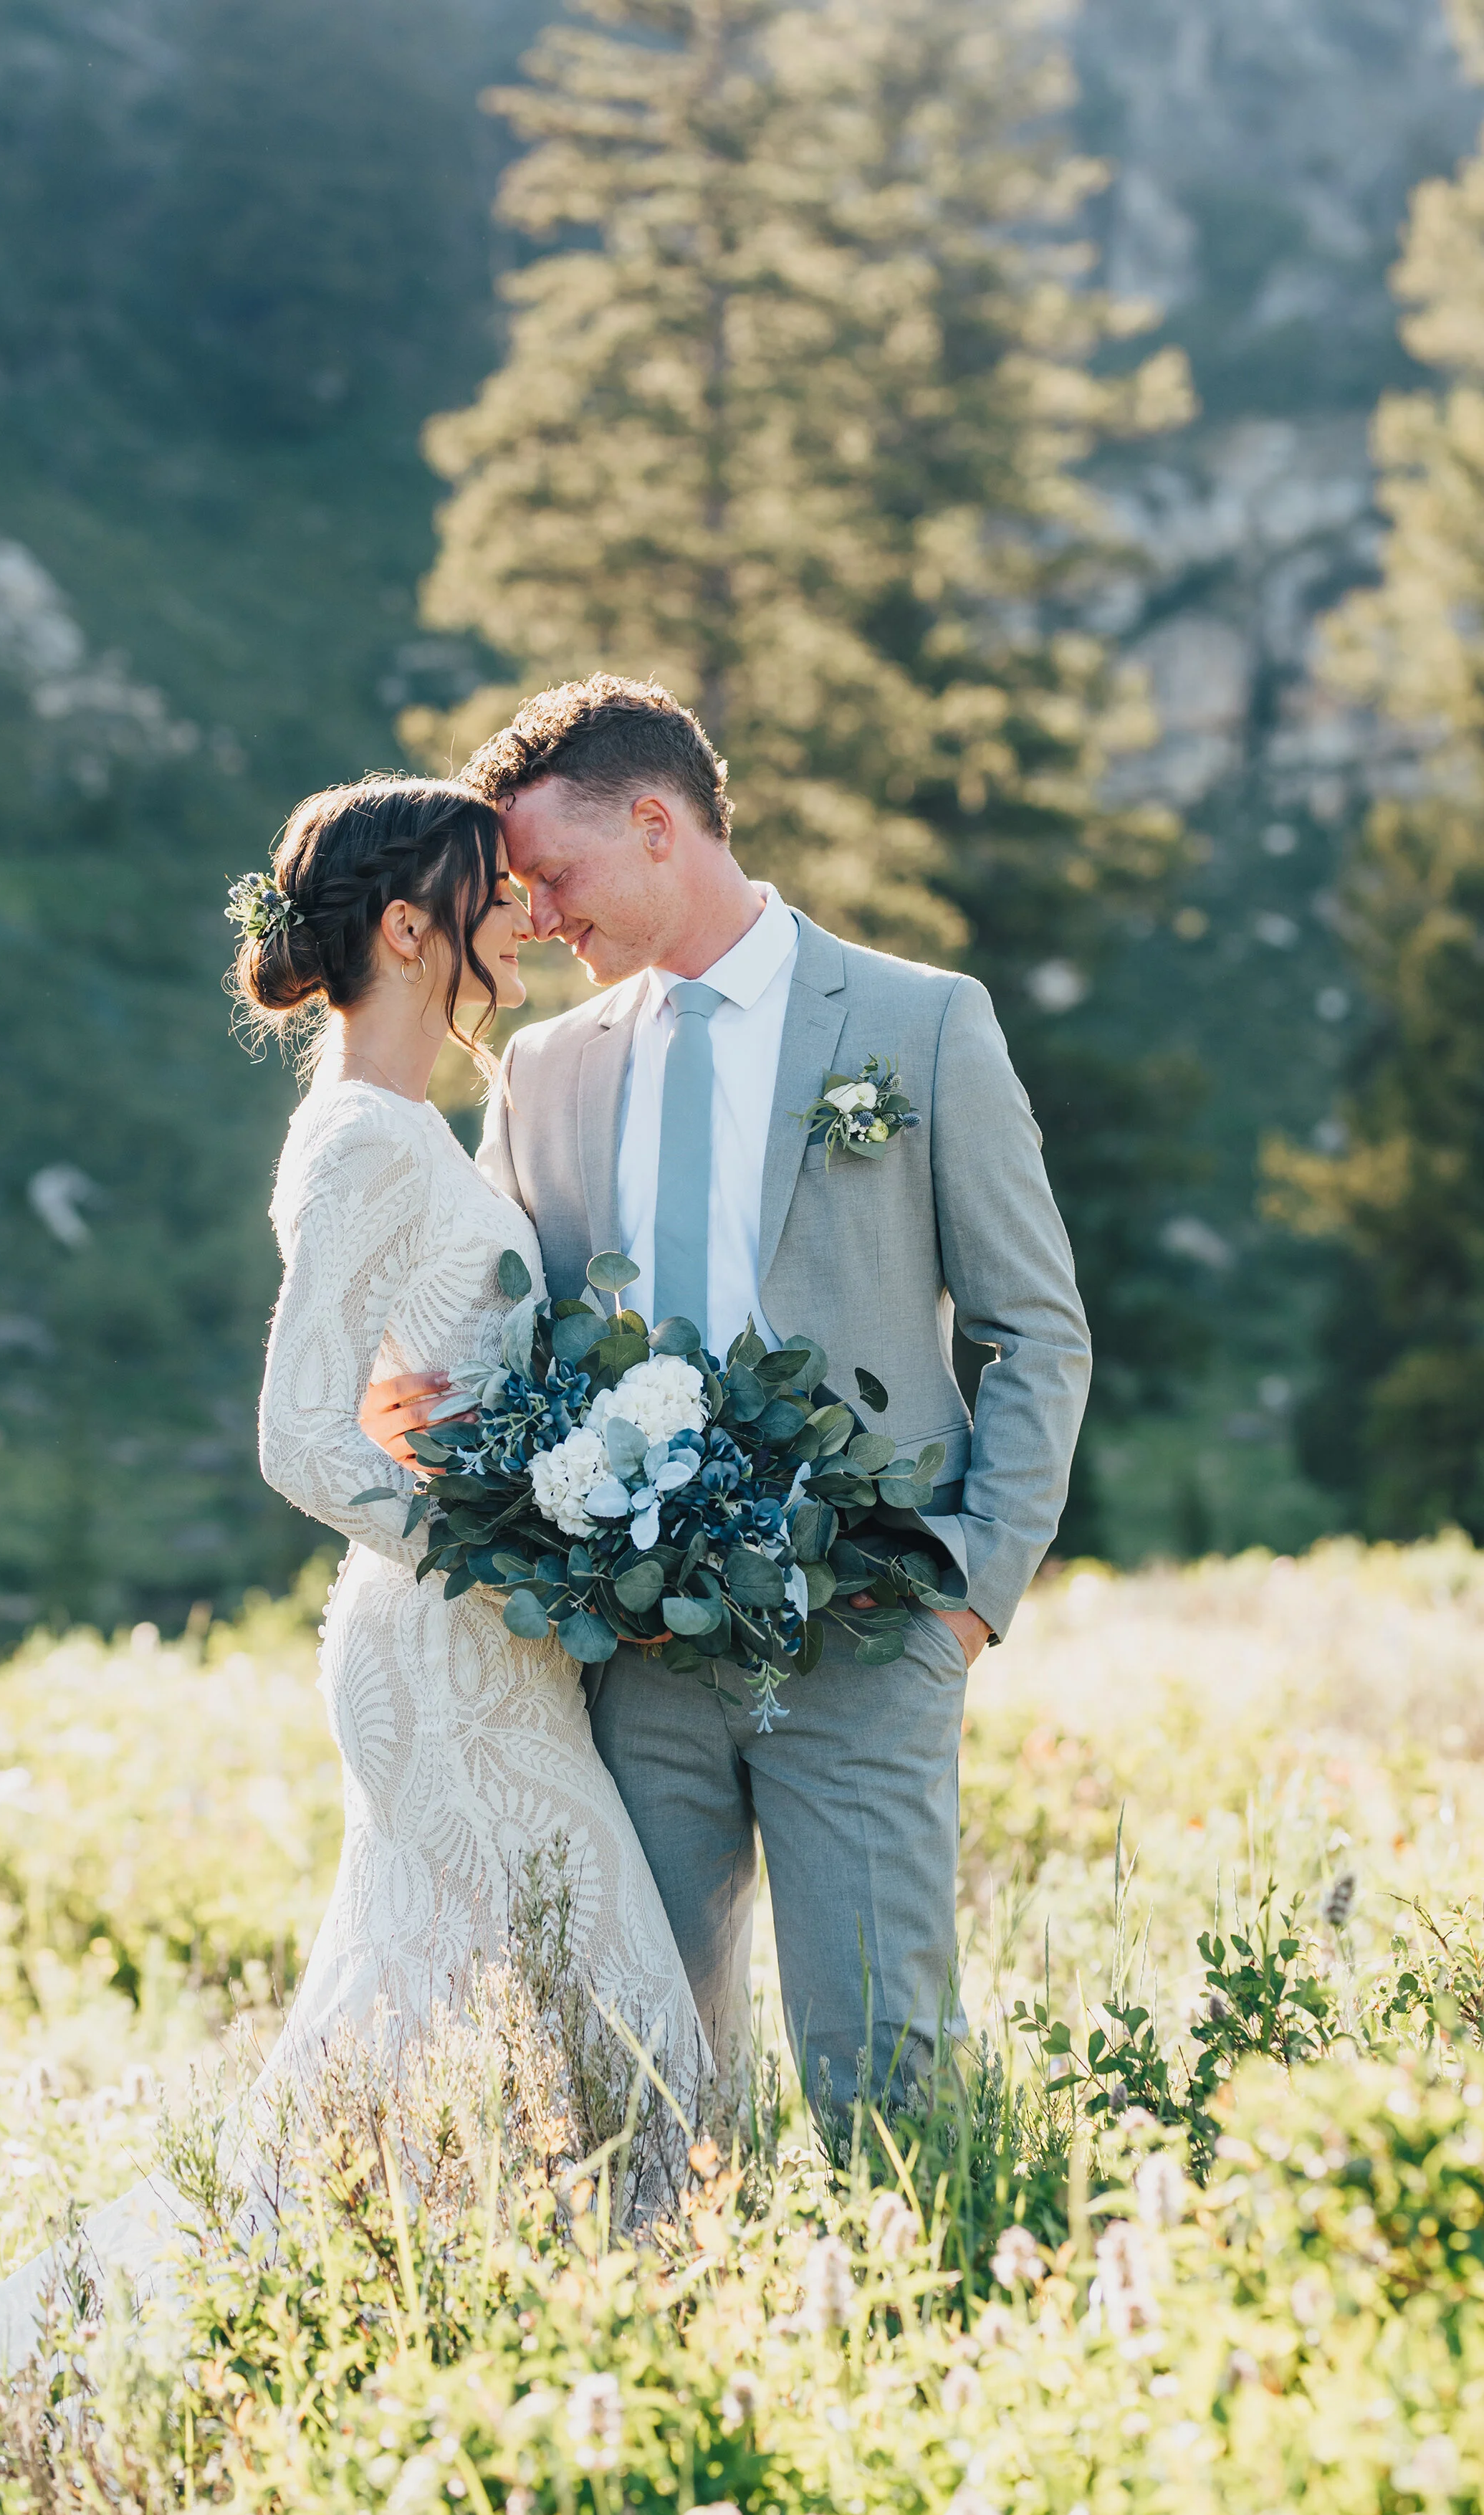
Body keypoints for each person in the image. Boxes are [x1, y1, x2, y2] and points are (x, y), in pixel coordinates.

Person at [0, 776, 707, 2377]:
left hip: (489, 1650)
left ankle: (416, 2337)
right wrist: (516, 1548)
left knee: (440, 2027)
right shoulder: (361, 1134)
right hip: (449, 1653)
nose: (520, 914)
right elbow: (298, 1438)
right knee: (642, 2045)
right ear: (411, 927)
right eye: (489, 890)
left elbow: (404, 1378)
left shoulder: (414, 1124)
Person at [361, 677, 1090, 2109]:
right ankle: (679, 2325)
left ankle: (914, 2317)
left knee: (881, 2061)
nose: (539, 918)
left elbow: (1037, 1329)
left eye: (553, 876)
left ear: (654, 827)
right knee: (642, 2072)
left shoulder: (922, 1022)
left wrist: (969, 1591)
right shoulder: (543, 1074)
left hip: (874, 1629)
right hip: (632, 1654)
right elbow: (520, 1348)